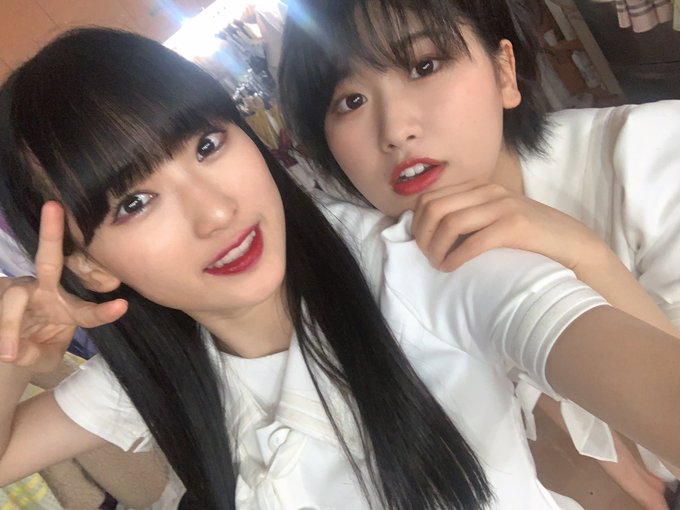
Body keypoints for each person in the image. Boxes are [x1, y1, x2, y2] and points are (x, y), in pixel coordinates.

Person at [0, 28, 679, 510]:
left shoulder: (420, 269)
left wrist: (587, 258)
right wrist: (12, 358)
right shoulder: (160, 372)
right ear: (88, 263)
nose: (216, 212)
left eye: (207, 144)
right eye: (134, 203)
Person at [277, 0, 680, 507]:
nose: (395, 130)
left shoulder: (654, 156)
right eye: (350, 100)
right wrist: (634, 478)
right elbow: (526, 367)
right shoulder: (412, 252)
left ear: (504, 72)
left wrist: (587, 256)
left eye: (424, 66)